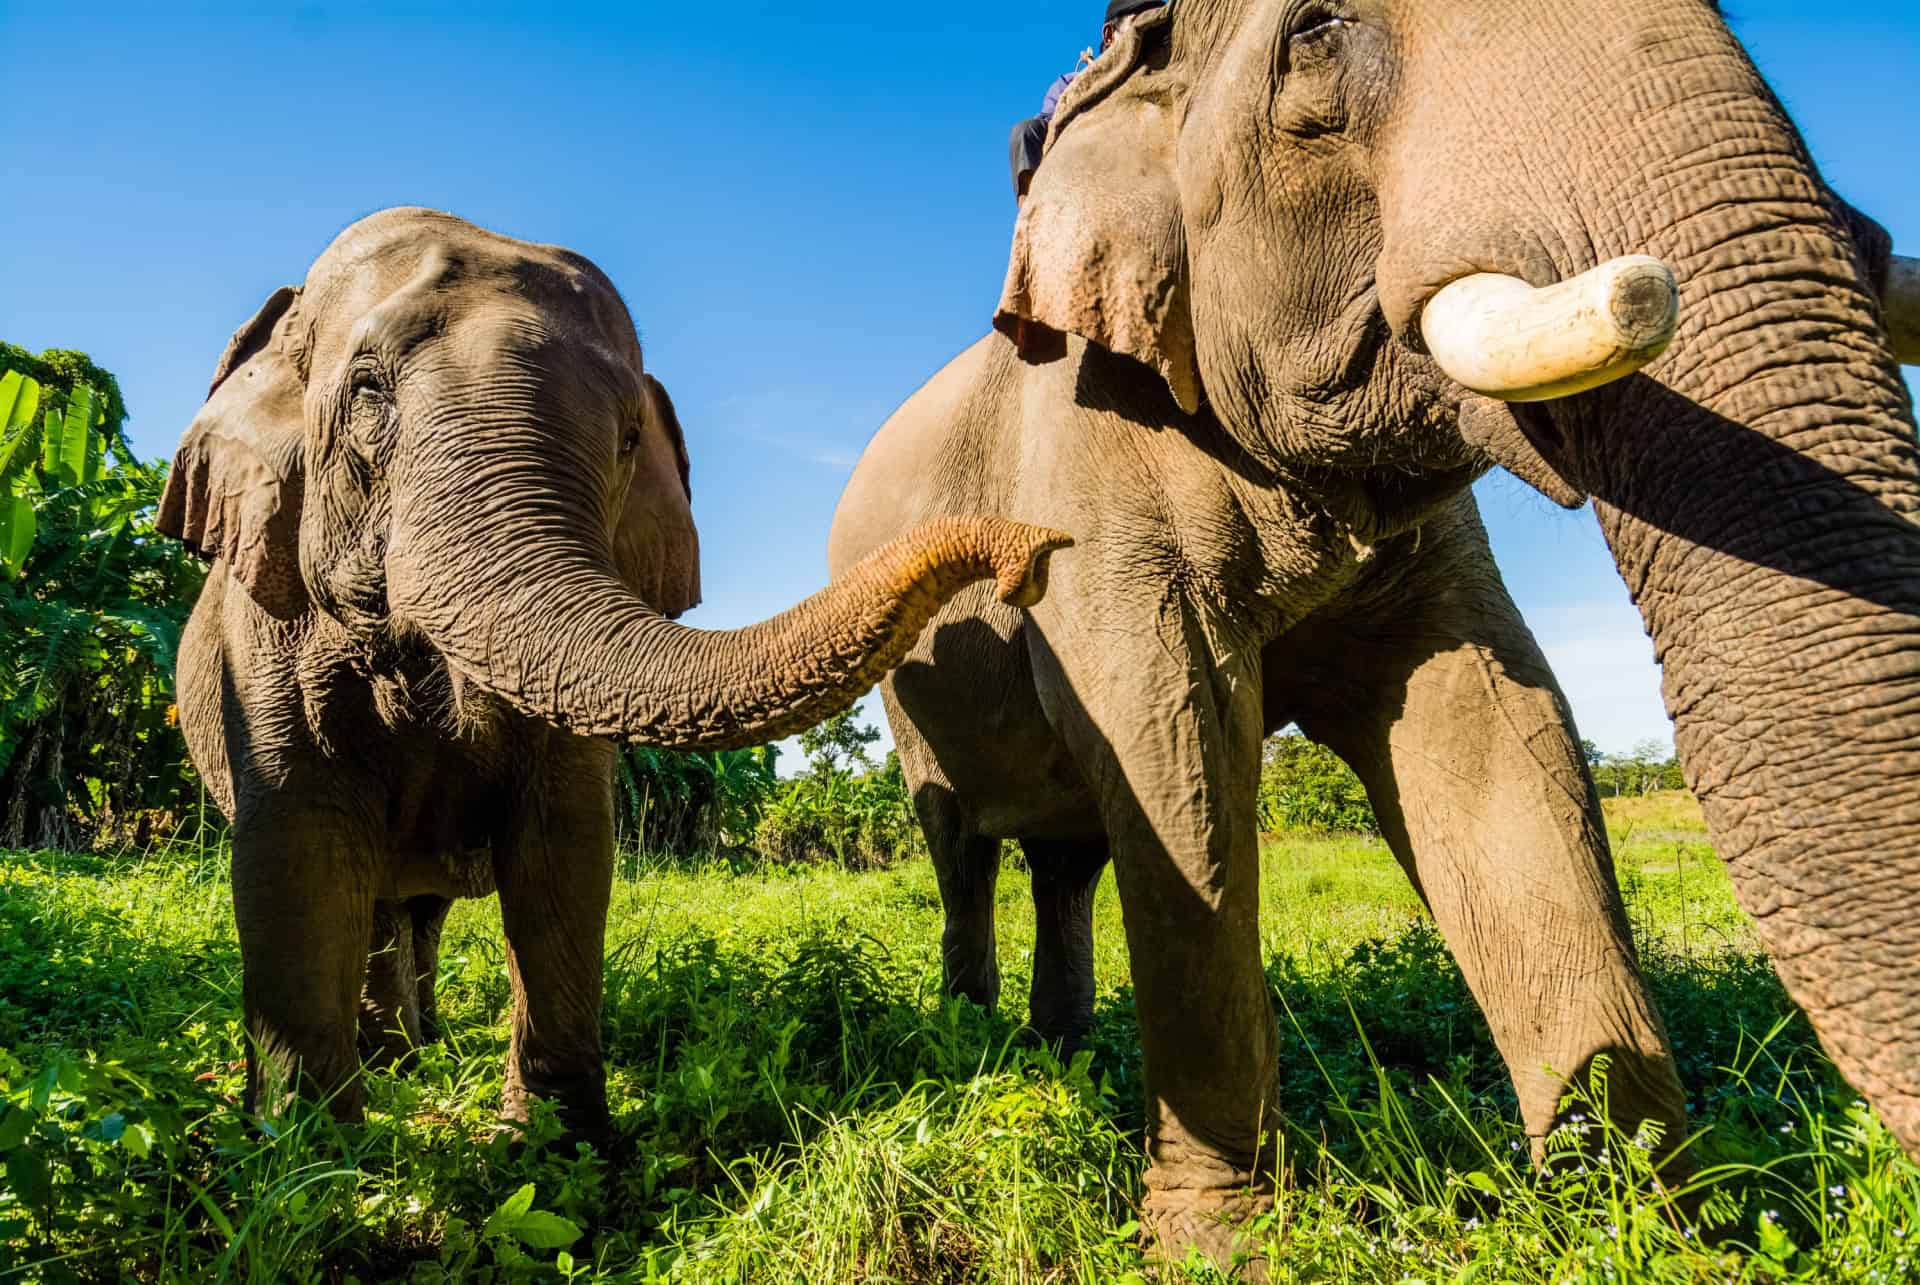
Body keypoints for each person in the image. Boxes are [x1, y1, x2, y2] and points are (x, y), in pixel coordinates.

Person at [1008, 0, 1166, 201]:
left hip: (1149, 171)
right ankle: (1031, 217)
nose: (1152, 32)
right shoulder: (1070, 85)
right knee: (1025, 131)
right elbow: (1044, 129)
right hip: (1085, 166)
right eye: (1140, 22)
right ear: (1109, 35)